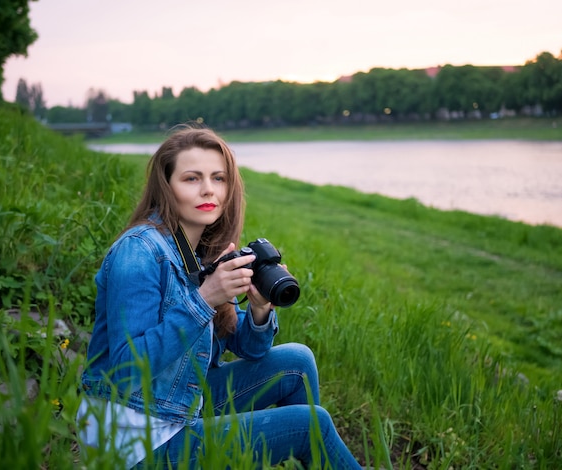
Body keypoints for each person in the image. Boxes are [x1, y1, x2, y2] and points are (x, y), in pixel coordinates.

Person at [76, 125, 361, 469]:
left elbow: (252, 349)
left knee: (297, 362)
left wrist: (258, 311)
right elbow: (124, 371)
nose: (208, 189)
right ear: (166, 187)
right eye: (192, 179)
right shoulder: (140, 252)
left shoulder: (198, 254)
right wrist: (204, 300)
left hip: (175, 407)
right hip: (136, 441)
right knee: (310, 425)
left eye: (218, 178)